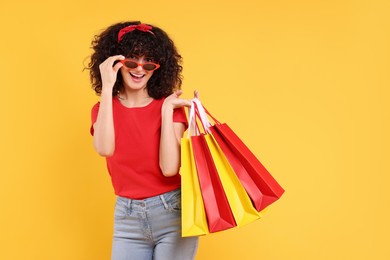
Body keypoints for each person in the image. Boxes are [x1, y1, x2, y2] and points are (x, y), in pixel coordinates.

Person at [87, 21, 199, 260]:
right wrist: (107, 88)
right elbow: (104, 148)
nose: (139, 69)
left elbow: (169, 169)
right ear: (115, 63)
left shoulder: (169, 106)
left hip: (172, 212)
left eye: (148, 62)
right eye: (131, 61)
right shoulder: (103, 109)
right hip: (127, 217)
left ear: (157, 67)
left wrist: (167, 111)